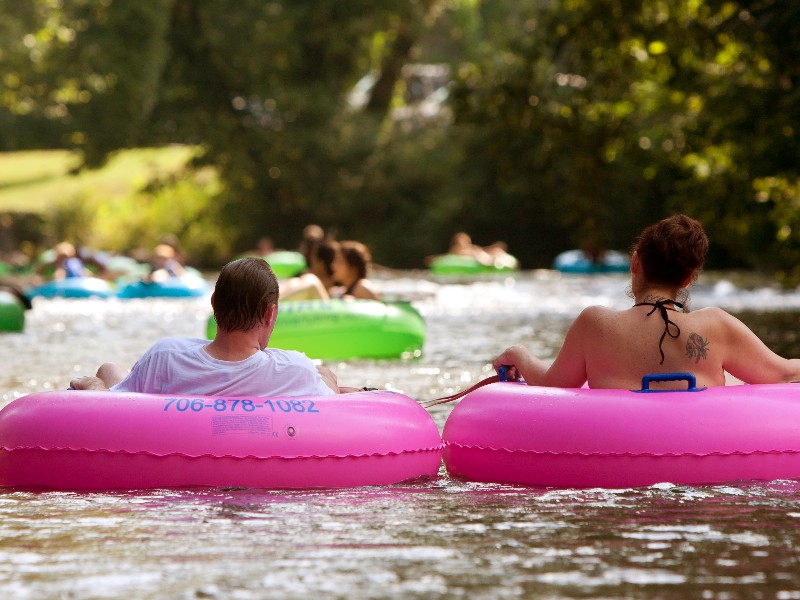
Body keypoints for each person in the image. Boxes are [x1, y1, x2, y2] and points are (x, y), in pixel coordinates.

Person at [493, 214, 800, 389]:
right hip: (701, 462)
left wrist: (518, 355)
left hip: (620, 463)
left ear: (635, 263)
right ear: (688, 277)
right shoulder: (715, 326)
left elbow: (553, 386)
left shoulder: (595, 324)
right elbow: (785, 373)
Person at [70, 257, 352, 396]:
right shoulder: (293, 370)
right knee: (324, 373)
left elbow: (115, 408)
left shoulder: (166, 356)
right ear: (270, 314)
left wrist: (96, 388)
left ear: (214, 304)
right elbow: (334, 406)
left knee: (108, 369)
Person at [279, 237, 339, 301]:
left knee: (311, 281)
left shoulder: (339, 287)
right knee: (294, 282)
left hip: (327, 308)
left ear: (320, 263)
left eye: (313, 257)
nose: (311, 261)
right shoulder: (302, 276)